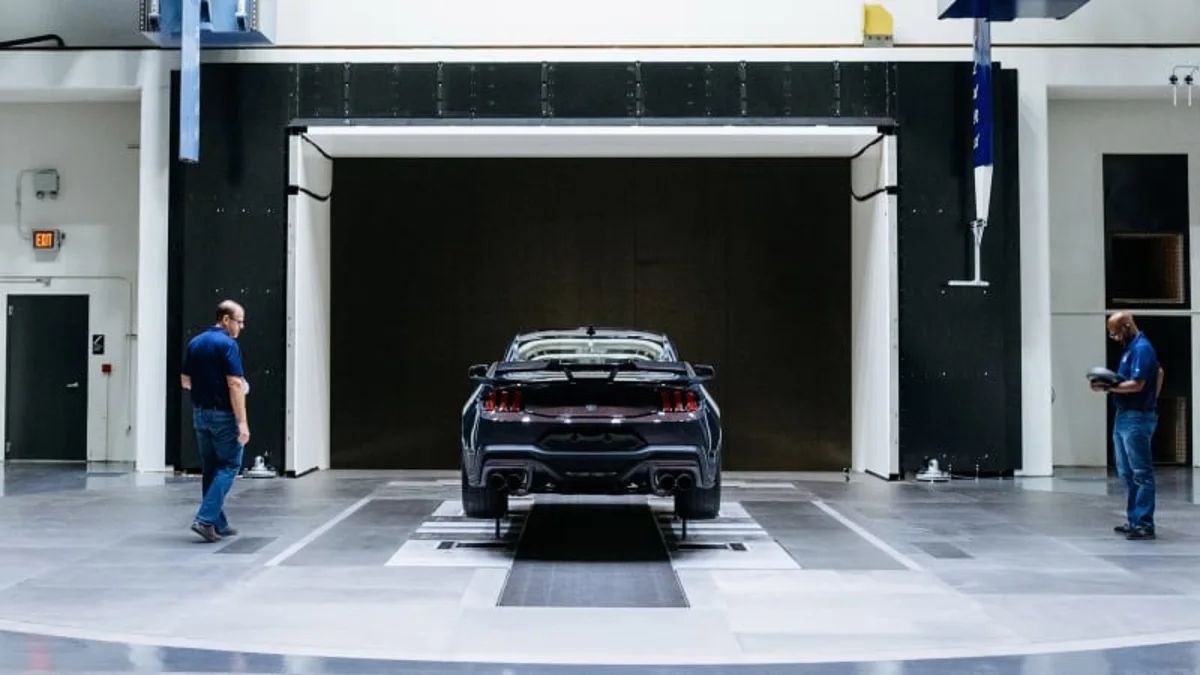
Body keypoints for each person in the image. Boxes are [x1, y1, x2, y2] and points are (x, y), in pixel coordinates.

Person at [181, 300, 250, 542]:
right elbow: (234, 383)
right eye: (239, 321)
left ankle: (218, 524)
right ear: (226, 320)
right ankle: (205, 520)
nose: (241, 326)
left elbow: (185, 381)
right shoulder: (228, 344)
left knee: (211, 468)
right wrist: (242, 422)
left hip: (200, 413)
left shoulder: (196, 342)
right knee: (230, 464)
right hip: (223, 415)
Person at [1091, 311, 1162, 540]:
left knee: (1141, 472)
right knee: (1128, 473)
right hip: (1124, 416)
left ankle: (1144, 524)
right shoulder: (1131, 349)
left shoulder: (1142, 348)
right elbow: (1159, 372)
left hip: (1136, 418)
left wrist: (1109, 388)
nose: (1113, 337)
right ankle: (1134, 520)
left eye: (1114, 332)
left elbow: (1138, 384)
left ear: (1127, 326)